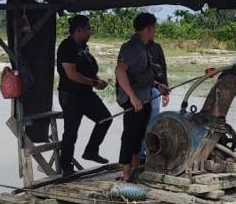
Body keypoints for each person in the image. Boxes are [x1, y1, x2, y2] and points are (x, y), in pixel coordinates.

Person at [116, 12, 169, 181]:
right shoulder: (132, 48)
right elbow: (120, 71)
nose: (154, 32)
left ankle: (136, 168)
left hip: (145, 97)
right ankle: (125, 174)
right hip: (134, 101)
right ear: (148, 28)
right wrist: (132, 97)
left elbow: (140, 75)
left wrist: (157, 85)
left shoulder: (144, 47)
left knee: (139, 135)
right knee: (130, 136)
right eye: (153, 28)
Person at [57, 15, 111, 176]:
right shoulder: (67, 47)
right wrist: (94, 83)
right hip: (71, 95)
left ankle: (91, 151)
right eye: (88, 29)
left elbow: (86, 71)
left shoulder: (83, 47)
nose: (90, 32)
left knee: (105, 118)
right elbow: (72, 74)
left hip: (86, 94)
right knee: (71, 132)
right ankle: (66, 168)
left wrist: (97, 80)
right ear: (79, 30)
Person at [140, 36, 170, 161]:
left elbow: (162, 69)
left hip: (155, 90)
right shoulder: (134, 48)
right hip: (139, 89)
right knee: (140, 122)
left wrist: (166, 92)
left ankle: (150, 152)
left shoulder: (156, 48)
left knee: (153, 120)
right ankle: (140, 155)